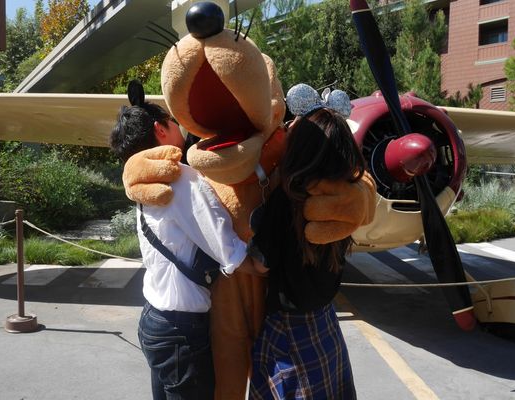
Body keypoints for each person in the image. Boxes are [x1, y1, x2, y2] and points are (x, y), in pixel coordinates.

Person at [110, 80, 261, 400]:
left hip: (154, 321)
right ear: (160, 129)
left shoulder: (146, 182)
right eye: (172, 120)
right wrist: (261, 265)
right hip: (182, 332)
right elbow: (227, 250)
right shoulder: (181, 179)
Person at [248, 106, 366, 399]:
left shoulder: (287, 198)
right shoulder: (349, 197)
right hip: (325, 322)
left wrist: (230, 262)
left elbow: (261, 265)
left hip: (289, 332)